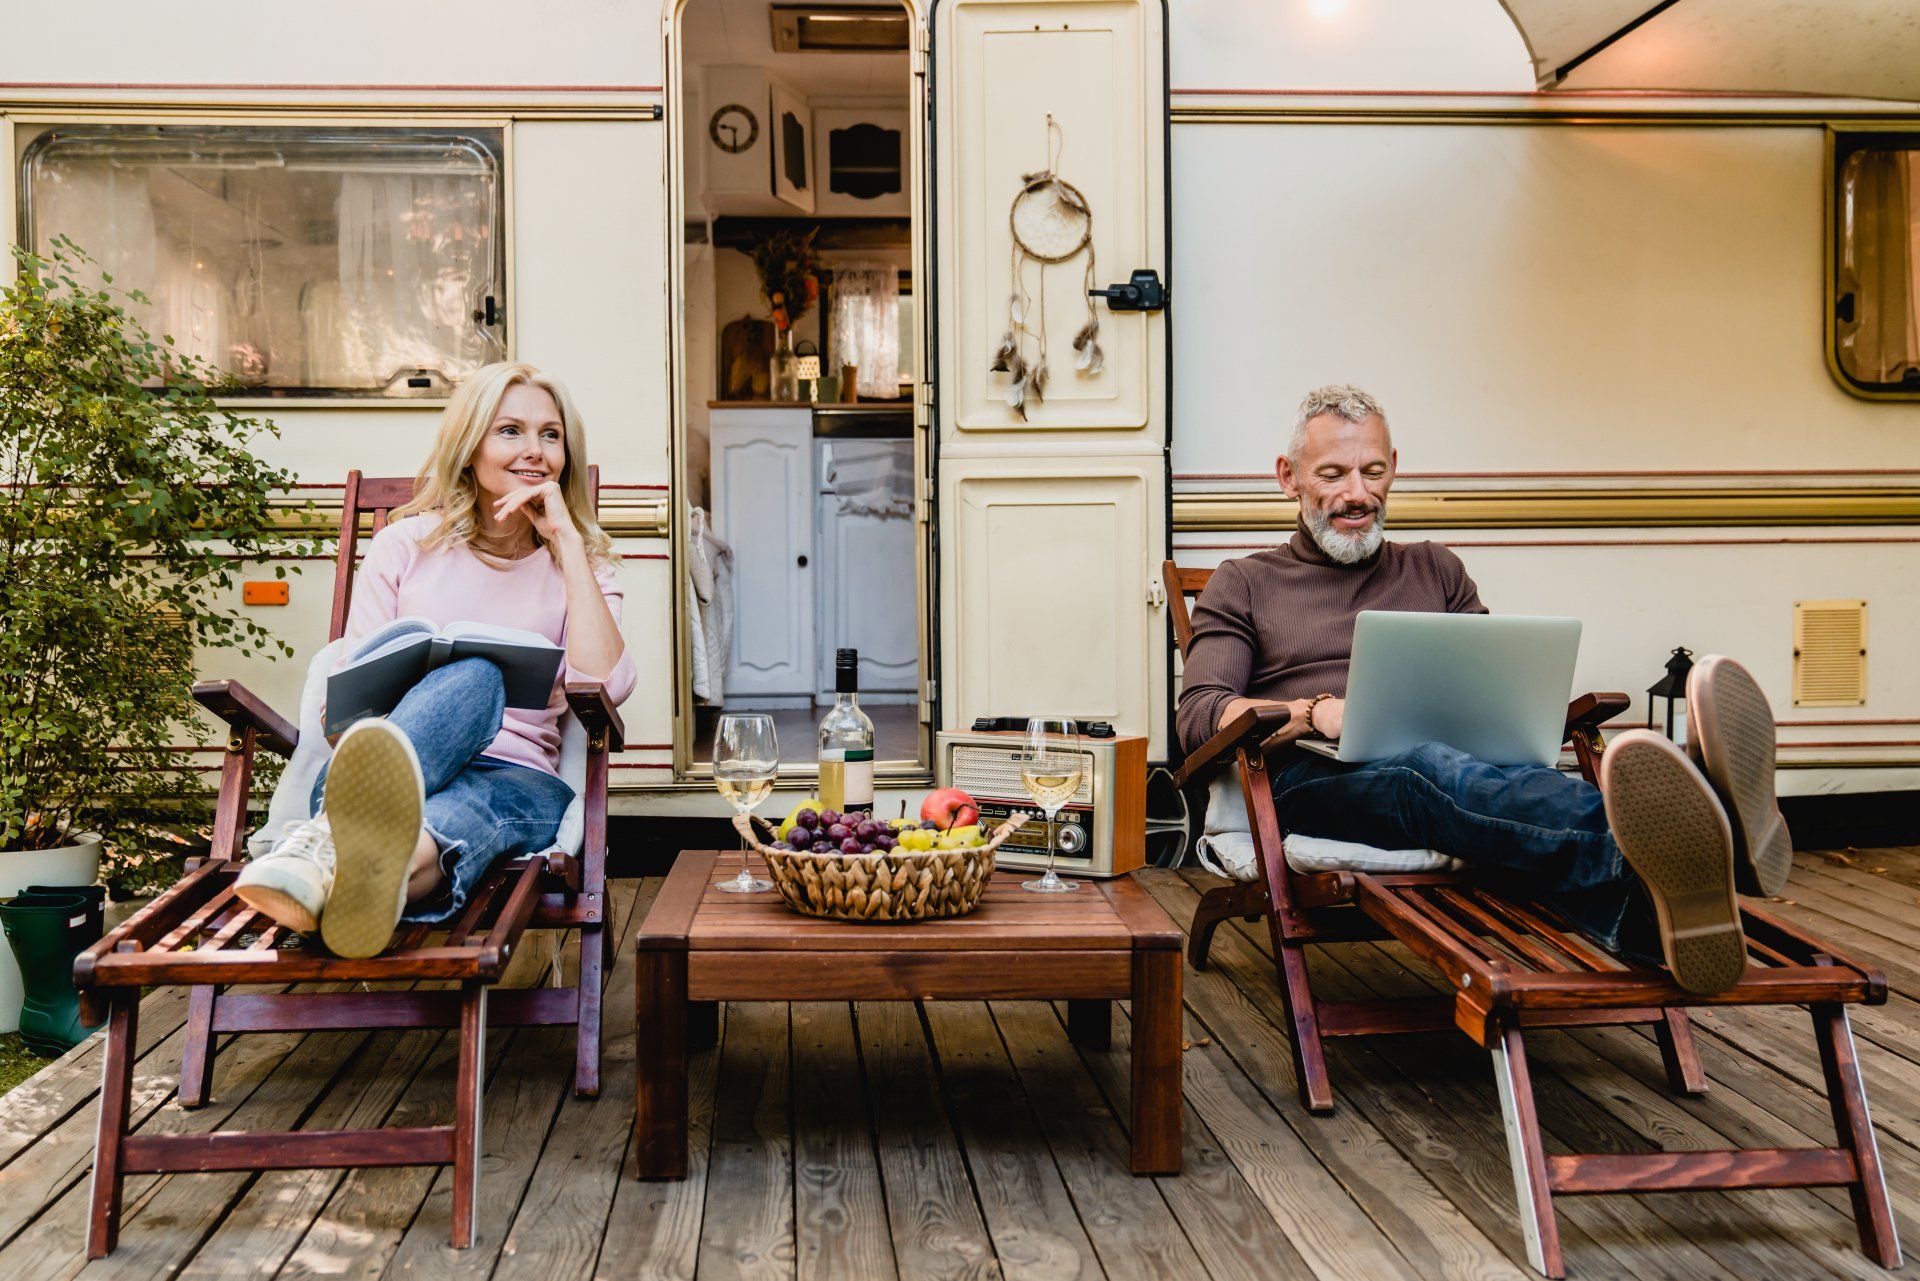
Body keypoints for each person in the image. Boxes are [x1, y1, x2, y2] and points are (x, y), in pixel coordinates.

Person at [1177, 384, 1790, 994]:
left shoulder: (1436, 569)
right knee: (1424, 768)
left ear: (1396, 470)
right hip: (1310, 780)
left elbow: (1495, 680)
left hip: (1467, 774)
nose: (1357, 494)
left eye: (1373, 471)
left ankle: (1658, 907)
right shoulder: (1245, 583)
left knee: (1506, 781)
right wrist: (1312, 713)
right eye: (1333, 474)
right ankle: (1716, 841)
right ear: (1288, 477)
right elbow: (1200, 715)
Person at [235, 362, 638, 958]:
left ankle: (328, 870)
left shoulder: (582, 566)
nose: (535, 451)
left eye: (550, 435)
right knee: (474, 678)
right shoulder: (406, 546)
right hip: (372, 775)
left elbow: (607, 685)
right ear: (468, 445)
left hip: (518, 781)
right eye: (510, 431)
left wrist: (569, 546)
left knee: (454, 816)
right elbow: (340, 709)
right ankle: (332, 839)